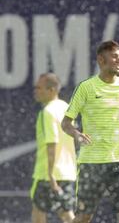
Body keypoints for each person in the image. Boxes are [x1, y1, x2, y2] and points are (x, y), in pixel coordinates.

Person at [61, 40, 119, 223]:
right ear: (101, 60)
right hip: (91, 164)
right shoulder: (86, 87)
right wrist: (77, 134)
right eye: (114, 56)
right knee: (83, 217)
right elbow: (66, 123)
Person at [31, 73, 76, 223]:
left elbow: (52, 143)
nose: (35, 91)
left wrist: (50, 175)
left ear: (52, 90)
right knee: (66, 214)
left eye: (39, 88)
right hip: (67, 172)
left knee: (39, 214)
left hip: (48, 174)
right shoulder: (66, 108)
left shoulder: (48, 112)